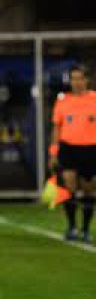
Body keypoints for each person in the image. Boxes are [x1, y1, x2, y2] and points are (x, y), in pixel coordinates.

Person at [49, 65, 96, 242]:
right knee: (69, 185)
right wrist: (53, 152)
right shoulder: (63, 101)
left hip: (91, 149)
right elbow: (56, 128)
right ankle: (72, 227)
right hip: (68, 148)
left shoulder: (94, 99)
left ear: (86, 80)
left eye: (79, 78)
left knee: (89, 189)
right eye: (73, 78)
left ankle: (85, 229)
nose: (76, 82)